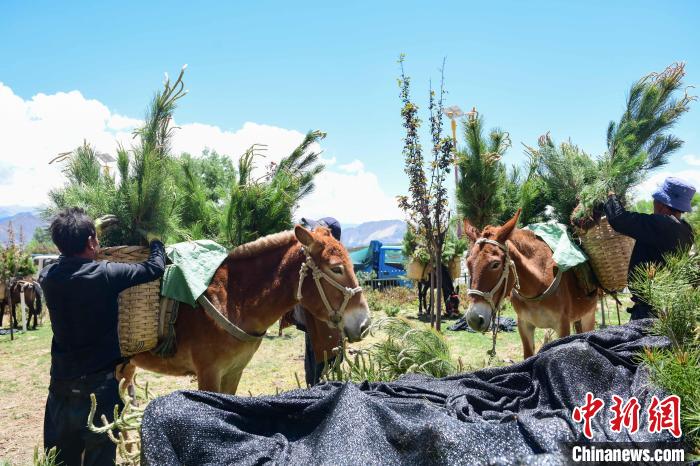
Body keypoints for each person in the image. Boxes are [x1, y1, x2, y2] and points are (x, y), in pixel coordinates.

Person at [39, 208, 165, 465]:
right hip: (100, 392)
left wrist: (88, 230)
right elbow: (154, 268)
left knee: (61, 460)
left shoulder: (48, 277)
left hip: (61, 389)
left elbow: (61, 259)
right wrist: (156, 242)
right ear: (90, 242)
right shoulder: (107, 274)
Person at [604, 177, 695, 320]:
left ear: (660, 204)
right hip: (666, 308)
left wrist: (610, 195)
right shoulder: (686, 230)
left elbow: (619, 219)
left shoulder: (662, 224)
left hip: (648, 313)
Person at [284, 217, 344, 386]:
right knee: (313, 372)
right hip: (313, 328)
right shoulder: (316, 264)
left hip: (327, 331)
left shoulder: (333, 270)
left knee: (325, 373)